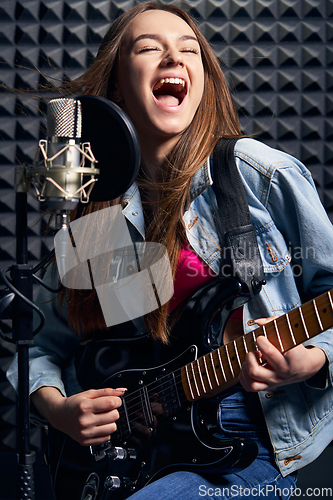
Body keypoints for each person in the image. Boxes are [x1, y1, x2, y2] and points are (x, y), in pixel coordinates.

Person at [7, 2, 333, 499]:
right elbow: (44, 346)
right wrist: (58, 409)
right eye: (148, 48)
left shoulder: (255, 175)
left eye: (189, 50)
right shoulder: (100, 221)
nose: (173, 59)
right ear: (117, 85)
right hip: (141, 457)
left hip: (249, 454)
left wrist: (311, 360)